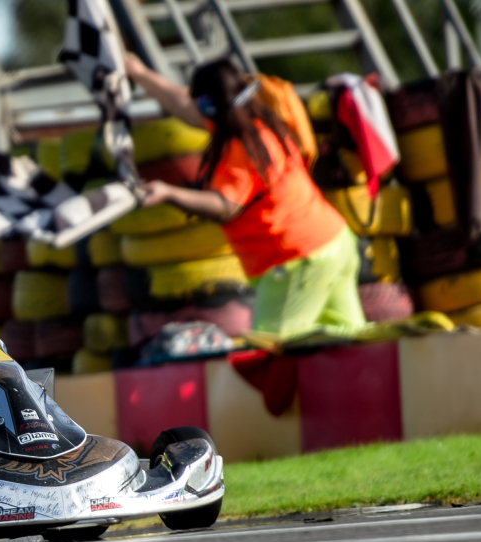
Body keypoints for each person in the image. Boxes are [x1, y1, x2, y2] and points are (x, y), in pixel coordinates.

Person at [127, 56, 365, 336]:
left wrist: (168, 193)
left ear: (209, 106)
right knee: (352, 344)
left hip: (297, 261)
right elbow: (187, 107)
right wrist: (140, 73)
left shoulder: (243, 148)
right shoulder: (263, 122)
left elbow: (225, 206)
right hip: (335, 242)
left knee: (268, 355)